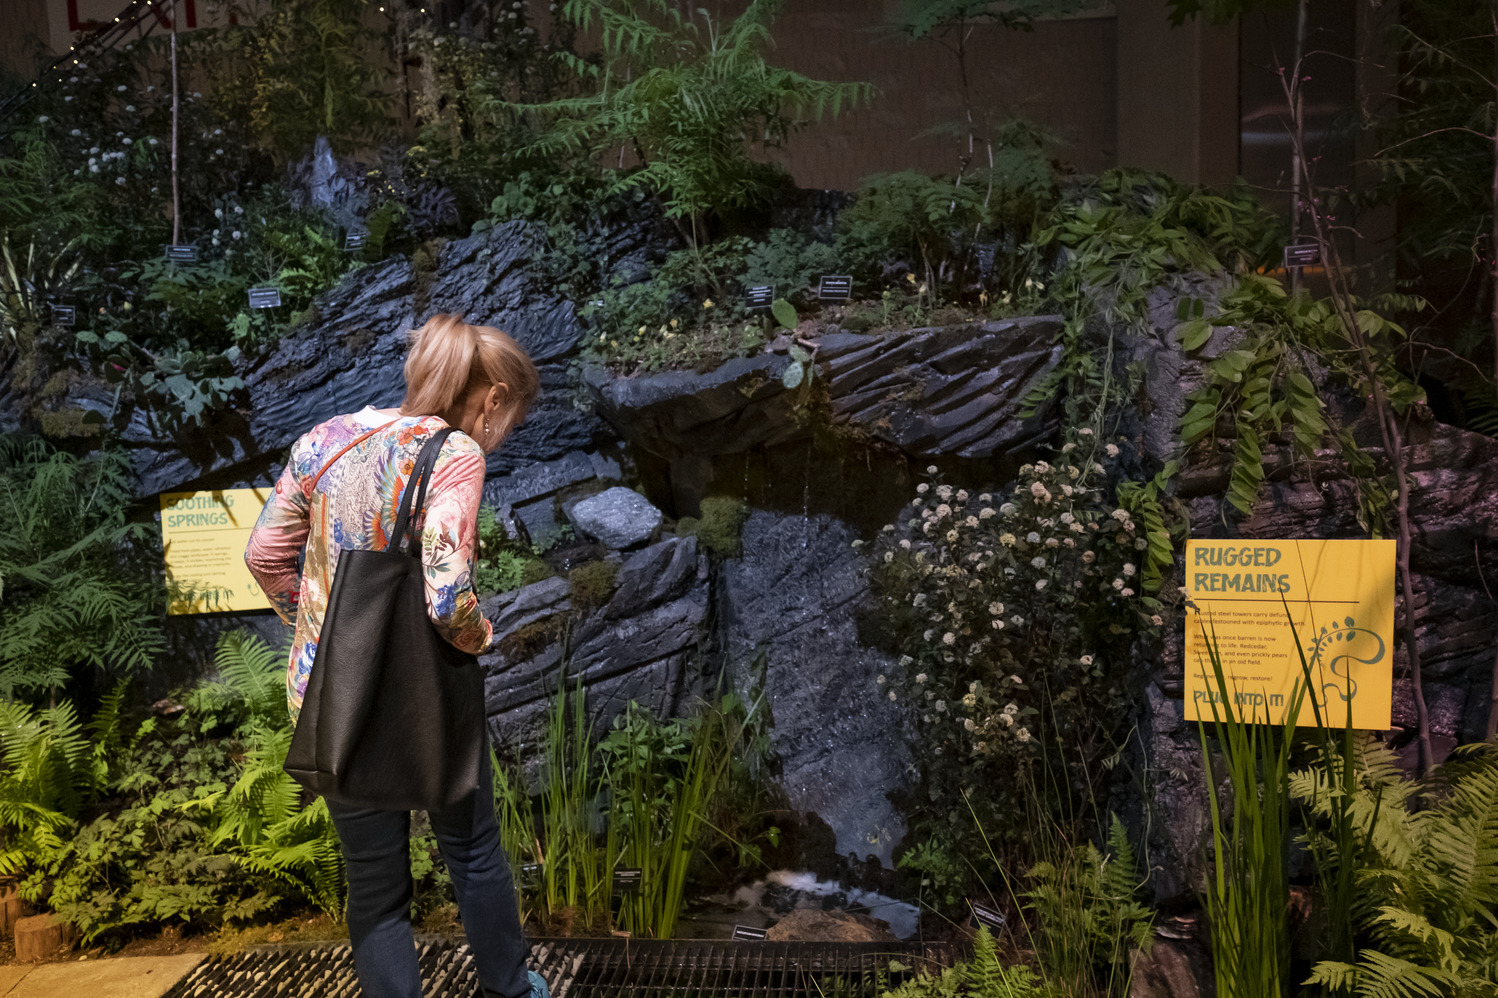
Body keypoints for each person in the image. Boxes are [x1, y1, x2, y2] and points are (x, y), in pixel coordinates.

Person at [245, 314, 546, 998]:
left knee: (375, 884)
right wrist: (480, 636)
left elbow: (264, 556)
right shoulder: (456, 453)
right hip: (423, 697)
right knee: (471, 853)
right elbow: (445, 596)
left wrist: (314, 628)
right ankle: (511, 991)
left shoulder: (321, 440)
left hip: (330, 695)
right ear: (493, 396)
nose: (504, 431)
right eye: (512, 416)